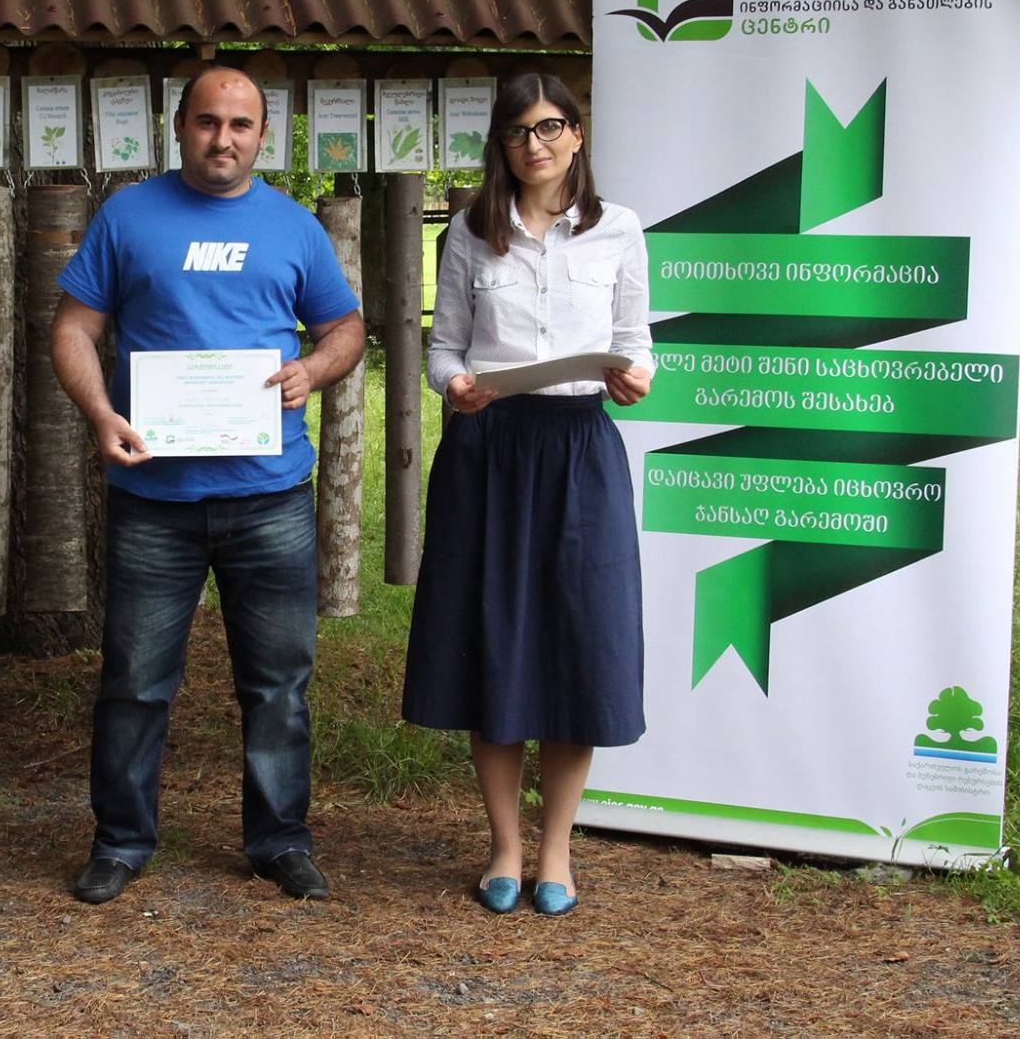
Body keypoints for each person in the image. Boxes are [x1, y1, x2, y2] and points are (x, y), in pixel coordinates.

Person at [51, 66, 365, 905]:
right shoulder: (128, 216)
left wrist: (313, 369)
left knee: (279, 685)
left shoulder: (293, 226)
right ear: (179, 126)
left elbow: (346, 327)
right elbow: (74, 328)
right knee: (134, 682)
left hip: (271, 497)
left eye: (240, 124)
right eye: (207, 121)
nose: (222, 139)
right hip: (154, 501)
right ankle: (120, 842)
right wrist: (100, 412)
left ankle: (280, 840)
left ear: (263, 135)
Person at [401, 70, 653, 918]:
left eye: (549, 127)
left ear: (577, 134)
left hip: (581, 449)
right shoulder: (471, 233)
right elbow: (445, 348)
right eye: (517, 132)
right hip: (490, 451)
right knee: (495, 641)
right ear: (501, 145)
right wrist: (456, 385)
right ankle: (505, 847)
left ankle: (557, 853)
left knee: (580, 645)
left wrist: (636, 377)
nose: (534, 145)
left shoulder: (619, 229)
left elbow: (636, 339)